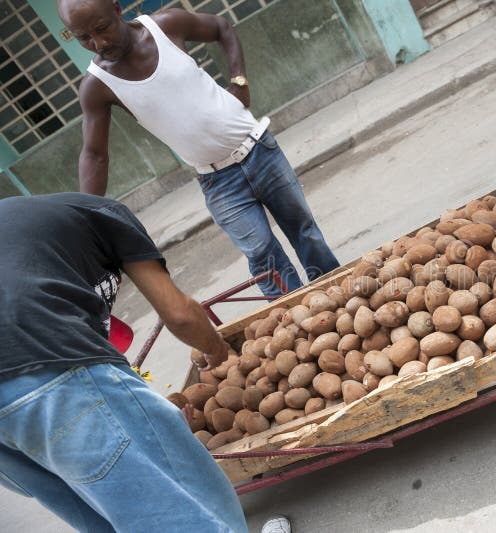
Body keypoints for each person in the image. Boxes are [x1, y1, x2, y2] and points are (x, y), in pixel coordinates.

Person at [0, 192, 253, 531]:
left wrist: (137, 410)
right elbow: (179, 314)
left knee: (106, 517)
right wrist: (216, 348)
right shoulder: (108, 214)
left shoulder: (32, 231)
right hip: (40, 363)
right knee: (191, 515)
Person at [58, 0, 340, 296]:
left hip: (260, 150)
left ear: (117, 9)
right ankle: (294, 321)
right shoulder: (97, 85)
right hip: (218, 182)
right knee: (261, 255)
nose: (99, 42)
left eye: (103, 29)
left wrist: (239, 79)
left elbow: (221, 27)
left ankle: (335, 296)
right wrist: (86, 216)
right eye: (84, 38)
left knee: (305, 232)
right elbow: (94, 155)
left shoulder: (166, 26)